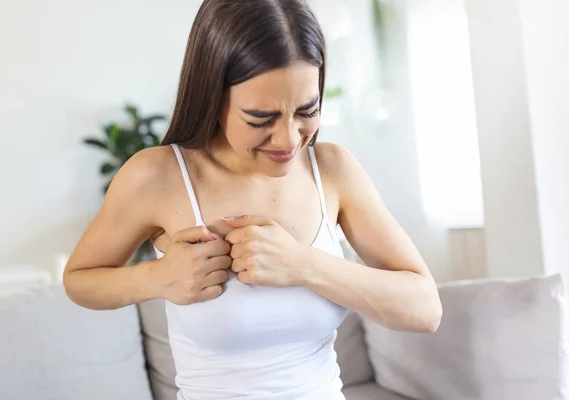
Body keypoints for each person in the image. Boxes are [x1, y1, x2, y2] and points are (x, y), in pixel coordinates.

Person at [63, 0, 442, 398]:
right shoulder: (158, 175)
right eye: (261, 118)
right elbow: (79, 281)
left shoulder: (333, 170)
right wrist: (156, 278)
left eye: (306, 111)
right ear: (214, 96)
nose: (288, 139)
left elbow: (424, 309)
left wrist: (303, 264)